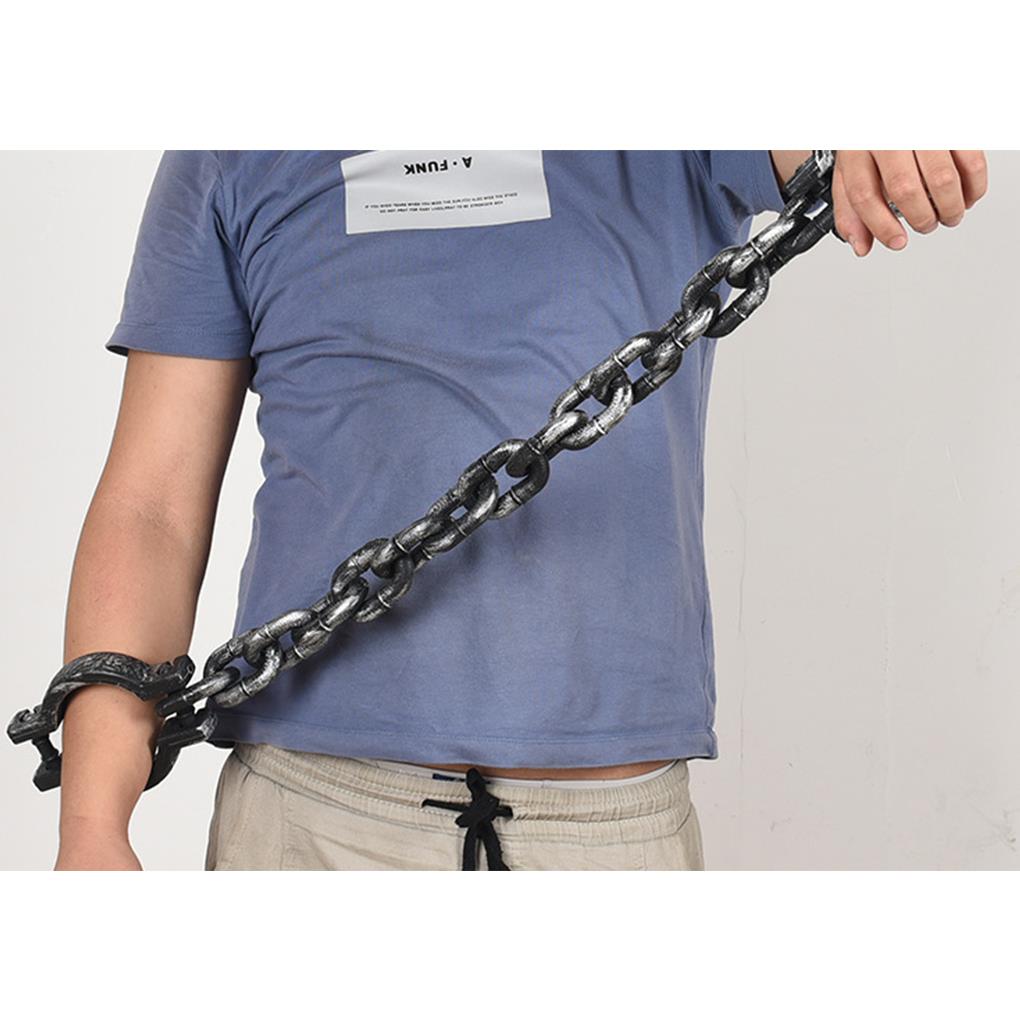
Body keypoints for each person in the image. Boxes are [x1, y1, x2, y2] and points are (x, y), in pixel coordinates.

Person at [53, 150, 987, 871]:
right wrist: (92, 825)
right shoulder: (232, 147)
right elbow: (152, 505)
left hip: (609, 837)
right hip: (311, 824)